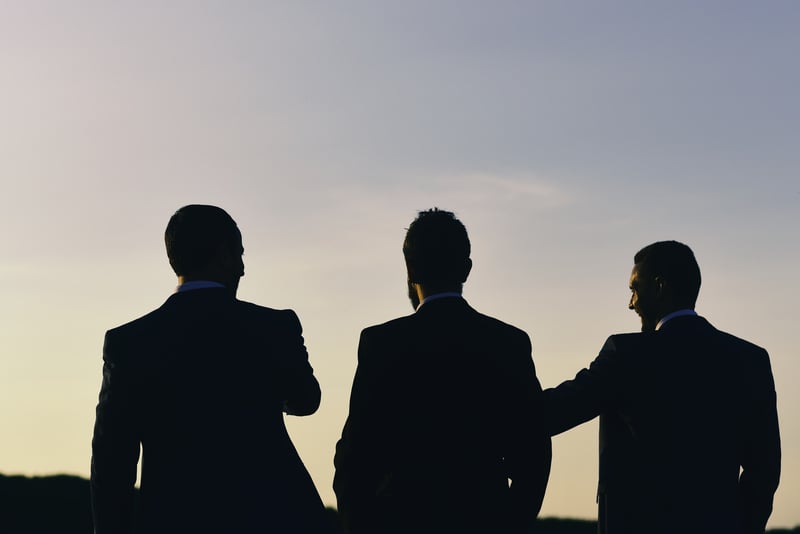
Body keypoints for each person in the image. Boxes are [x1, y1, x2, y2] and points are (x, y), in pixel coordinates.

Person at [90, 205, 328, 534]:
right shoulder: (274, 326)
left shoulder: (129, 343)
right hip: (276, 515)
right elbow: (306, 400)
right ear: (224, 256)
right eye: (240, 255)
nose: (243, 269)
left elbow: (112, 461)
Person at [333, 208, 551, 534]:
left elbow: (356, 454)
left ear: (410, 270)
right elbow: (534, 448)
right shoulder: (508, 343)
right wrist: (511, 521)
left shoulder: (382, 343)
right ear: (467, 268)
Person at [544, 241, 781, 534]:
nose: (631, 303)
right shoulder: (750, 360)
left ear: (659, 286)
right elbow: (765, 469)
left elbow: (559, 409)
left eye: (634, 289)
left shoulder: (627, 354)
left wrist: (485, 408)